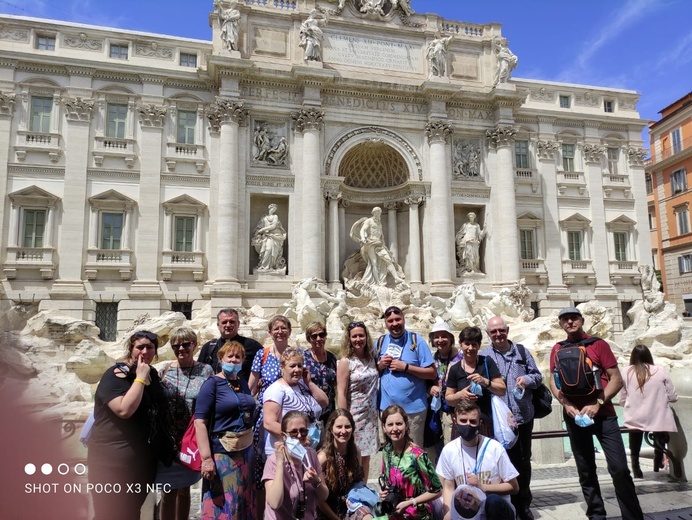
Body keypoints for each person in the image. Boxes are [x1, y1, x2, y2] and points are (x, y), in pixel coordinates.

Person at [549, 307, 643, 520]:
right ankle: (597, 515)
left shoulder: (599, 345)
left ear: (582, 320)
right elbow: (552, 381)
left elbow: (616, 379)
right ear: (561, 324)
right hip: (575, 416)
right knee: (585, 469)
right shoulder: (557, 349)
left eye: (573, 318)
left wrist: (598, 403)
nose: (570, 322)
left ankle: (633, 517)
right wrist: (565, 403)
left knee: (619, 468)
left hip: (604, 414)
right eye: (565, 319)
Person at [88, 330, 172, 519]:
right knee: (108, 513)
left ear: (155, 352)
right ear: (130, 349)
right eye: (139, 347)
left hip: (142, 461)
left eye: (149, 347)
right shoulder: (115, 375)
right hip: (111, 461)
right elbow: (124, 410)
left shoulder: (151, 374)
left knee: (131, 512)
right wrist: (140, 378)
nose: (144, 351)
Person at [479, 317, 542, 520]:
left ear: (507, 330)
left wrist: (528, 379)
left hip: (521, 416)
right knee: (498, 461)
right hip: (495, 420)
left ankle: (523, 503)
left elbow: (538, 375)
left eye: (501, 330)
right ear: (488, 334)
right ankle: (502, 503)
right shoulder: (483, 355)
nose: (498, 334)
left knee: (523, 461)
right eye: (493, 331)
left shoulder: (521, 352)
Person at [155, 327, 214, 520]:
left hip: (190, 439)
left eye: (185, 344)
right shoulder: (163, 370)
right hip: (168, 439)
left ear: (194, 345)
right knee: (168, 491)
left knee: (184, 489)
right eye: (176, 345)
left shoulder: (205, 370)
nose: (181, 348)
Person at [194, 340, 256, 519]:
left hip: (245, 451)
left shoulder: (242, 383)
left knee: (243, 503)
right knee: (227, 505)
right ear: (221, 359)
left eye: (238, 357)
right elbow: (200, 422)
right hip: (223, 454)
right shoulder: (212, 384)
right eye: (230, 356)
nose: (234, 360)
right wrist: (206, 459)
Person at [436, 401, 519, 520]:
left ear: (479, 423)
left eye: (472, 421)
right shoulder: (449, 450)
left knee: (493, 500)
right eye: (463, 421)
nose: (468, 425)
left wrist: (483, 486)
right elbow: (448, 487)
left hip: (495, 511)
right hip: (468, 513)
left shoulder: (495, 448)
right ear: (455, 421)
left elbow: (514, 487)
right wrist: (448, 515)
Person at [376, 306, 437, 448]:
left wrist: (406, 367)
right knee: (390, 449)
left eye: (398, 319)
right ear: (385, 323)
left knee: (414, 450)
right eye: (390, 321)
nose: (394, 323)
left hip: (413, 409)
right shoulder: (380, 342)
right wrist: (380, 366)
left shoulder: (417, 341)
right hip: (387, 409)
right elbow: (373, 373)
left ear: (404, 320)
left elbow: (432, 373)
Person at [620, 344, 678, 478]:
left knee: (634, 437)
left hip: (635, 417)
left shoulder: (625, 371)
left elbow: (622, 397)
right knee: (660, 435)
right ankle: (658, 463)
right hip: (657, 417)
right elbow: (672, 396)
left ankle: (636, 468)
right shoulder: (660, 370)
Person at [378, 405, 442, 519]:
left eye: (399, 424)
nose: (394, 429)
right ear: (384, 427)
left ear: (406, 425)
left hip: (416, 513)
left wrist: (411, 502)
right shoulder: (387, 451)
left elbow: (437, 491)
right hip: (394, 510)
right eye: (390, 424)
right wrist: (384, 492)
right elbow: (386, 481)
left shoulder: (417, 455)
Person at [263, 347, 329, 457]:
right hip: (286, 450)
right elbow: (269, 423)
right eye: (292, 366)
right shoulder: (276, 390)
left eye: (299, 365)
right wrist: (296, 439)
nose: (297, 369)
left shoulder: (303, 385)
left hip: (307, 448)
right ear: (282, 368)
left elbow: (324, 402)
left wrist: (309, 383)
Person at [263, 411, 330, 520]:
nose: (299, 435)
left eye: (303, 431)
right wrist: (280, 463)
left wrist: (316, 482)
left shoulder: (311, 454)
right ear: (283, 435)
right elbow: (274, 503)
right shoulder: (273, 461)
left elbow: (324, 496)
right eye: (293, 432)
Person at [445, 327, 506, 437]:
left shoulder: (487, 362)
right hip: (463, 423)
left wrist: (485, 382)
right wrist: (460, 395)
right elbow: (449, 399)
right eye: (467, 344)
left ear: (479, 345)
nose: (470, 348)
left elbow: (502, 390)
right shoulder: (455, 369)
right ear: (460, 344)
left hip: (484, 422)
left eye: (474, 344)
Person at [337, 321, 379, 478]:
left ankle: (363, 490)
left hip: (370, 416)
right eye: (354, 336)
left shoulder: (372, 358)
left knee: (366, 457)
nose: (358, 339)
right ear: (349, 339)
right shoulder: (345, 362)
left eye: (361, 335)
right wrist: (343, 418)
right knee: (353, 457)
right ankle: (349, 493)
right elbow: (341, 392)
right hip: (354, 415)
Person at [317, 409, 374, 520]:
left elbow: (358, 483)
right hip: (327, 510)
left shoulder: (355, 452)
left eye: (347, 427)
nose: (343, 431)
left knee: (368, 517)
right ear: (331, 429)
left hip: (350, 504)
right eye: (339, 427)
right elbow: (318, 500)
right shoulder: (322, 458)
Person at [426, 321, 463, 463]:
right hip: (436, 407)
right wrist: (430, 388)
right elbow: (427, 382)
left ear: (451, 339)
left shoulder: (461, 357)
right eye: (436, 337)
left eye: (444, 336)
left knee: (452, 445)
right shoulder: (432, 358)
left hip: (455, 408)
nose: (440, 340)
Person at [197, 308, 262, 379]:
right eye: (224, 322)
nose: (228, 325)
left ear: (238, 324)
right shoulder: (209, 347)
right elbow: (199, 372)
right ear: (218, 325)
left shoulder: (252, 345)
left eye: (232, 322)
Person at [350, 207, 405, 286]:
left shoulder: (379, 223)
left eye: (379, 213)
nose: (378, 214)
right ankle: (378, 282)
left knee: (388, 260)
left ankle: (396, 278)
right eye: (376, 213)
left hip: (379, 244)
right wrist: (362, 238)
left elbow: (380, 235)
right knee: (374, 262)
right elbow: (363, 230)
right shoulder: (369, 221)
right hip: (370, 243)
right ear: (373, 213)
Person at [304, 322, 338, 431]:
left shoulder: (332, 358)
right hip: (310, 408)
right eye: (314, 336)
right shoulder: (304, 358)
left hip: (330, 408)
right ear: (309, 339)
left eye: (321, 335)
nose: (318, 338)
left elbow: (336, 383)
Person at [252, 203, 287, 271]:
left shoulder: (275, 216)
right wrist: (257, 233)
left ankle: (270, 266)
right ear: (269, 208)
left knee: (270, 249)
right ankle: (264, 266)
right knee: (267, 249)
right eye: (273, 208)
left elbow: (273, 226)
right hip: (266, 236)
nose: (273, 210)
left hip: (274, 236)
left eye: (275, 209)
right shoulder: (264, 218)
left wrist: (263, 229)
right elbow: (259, 227)